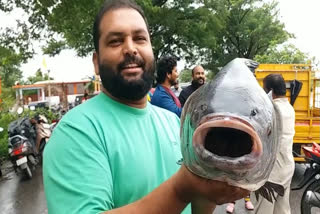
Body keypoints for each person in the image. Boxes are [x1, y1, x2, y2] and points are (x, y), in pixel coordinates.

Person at [43, 1, 249, 213]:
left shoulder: (172, 123)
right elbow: (183, 191)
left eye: (140, 38)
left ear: (152, 52)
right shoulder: (76, 131)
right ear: (96, 62)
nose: (130, 48)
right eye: (115, 41)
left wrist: (216, 181)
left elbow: (197, 208)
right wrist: (181, 188)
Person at [252, 74, 295, 214]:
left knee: (263, 210)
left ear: (270, 91)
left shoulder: (272, 111)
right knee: (282, 210)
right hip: (287, 167)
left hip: (272, 173)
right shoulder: (289, 108)